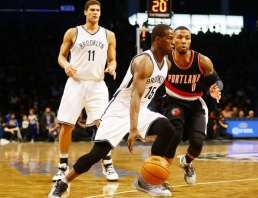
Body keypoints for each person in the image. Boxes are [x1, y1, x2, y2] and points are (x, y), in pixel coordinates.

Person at [48, 23, 176, 198]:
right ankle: (63, 183)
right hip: (119, 110)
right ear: (158, 39)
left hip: (140, 110)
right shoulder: (144, 61)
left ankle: (145, 181)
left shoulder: (166, 64)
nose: (174, 42)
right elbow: (135, 97)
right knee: (97, 154)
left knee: (168, 130)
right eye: (170, 38)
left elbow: (142, 100)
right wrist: (133, 129)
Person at [53, 0, 118, 182]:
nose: (95, 13)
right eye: (92, 10)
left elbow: (112, 60)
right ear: (85, 12)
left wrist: (112, 67)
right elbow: (61, 56)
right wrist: (66, 65)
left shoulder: (109, 35)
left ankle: (108, 163)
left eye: (98, 10)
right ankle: (62, 166)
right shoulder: (73, 32)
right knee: (66, 126)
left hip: (97, 84)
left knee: (103, 125)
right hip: (76, 83)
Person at [162, 26, 222, 184]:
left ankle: (186, 162)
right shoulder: (165, 60)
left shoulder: (202, 60)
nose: (183, 40)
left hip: (195, 105)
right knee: (175, 135)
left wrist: (217, 89)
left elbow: (217, 80)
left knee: (197, 145)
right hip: (173, 101)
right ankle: (161, 176)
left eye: (187, 38)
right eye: (180, 37)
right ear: (173, 40)